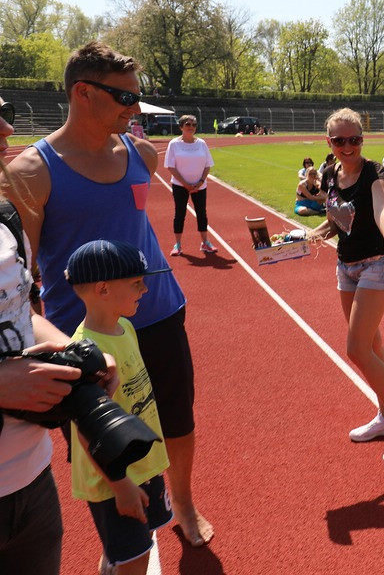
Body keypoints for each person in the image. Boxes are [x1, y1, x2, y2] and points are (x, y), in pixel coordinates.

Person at [2, 41, 213, 547]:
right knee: (102, 438)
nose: (135, 109)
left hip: (160, 311)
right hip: (85, 332)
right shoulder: (30, 173)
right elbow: (20, 276)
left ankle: (182, 501)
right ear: (83, 93)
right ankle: (120, 542)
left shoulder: (141, 153)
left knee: (178, 417)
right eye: (124, 98)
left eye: (137, 97)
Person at [0, 96, 117, 575]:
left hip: (30, 478)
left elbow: (22, 313)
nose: (6, 129)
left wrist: (76, 349)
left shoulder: (6, 220)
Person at [309, 108, 384, 462]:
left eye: (354, 139)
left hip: (376, 264)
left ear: (362, 140)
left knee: (356, 349)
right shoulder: (329, 174)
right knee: (372, 343)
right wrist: (314, 233)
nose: (348, 146)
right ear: (330, 143)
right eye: (340, 141)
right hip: (346, 266)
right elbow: (337, 221)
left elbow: (383, 211)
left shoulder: (375, 172)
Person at [66, 240, 173, 575]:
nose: (145, 288)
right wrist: (119, 484)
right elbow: (87, 430)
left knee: (130, 550)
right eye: (136, 283)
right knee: (134, 559)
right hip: (115, 479)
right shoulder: (88, 353)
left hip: (142, 466)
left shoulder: (125, 327)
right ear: (103, 289)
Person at [164, 114, 217, 256]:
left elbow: (207, 165)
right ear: (181, 127)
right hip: (180, 186)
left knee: (202, 213)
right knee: (180, 213)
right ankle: (178, 244)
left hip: (200, 186)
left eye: (194, 125)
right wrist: (186, 184)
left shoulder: (202, 144)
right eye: (188, 124)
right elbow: (170, 166)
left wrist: (200, 182)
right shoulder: (174, 144)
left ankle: (205, 242)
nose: (191, 127)